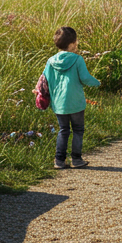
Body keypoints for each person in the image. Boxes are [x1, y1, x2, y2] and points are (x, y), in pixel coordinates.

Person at [43, 26, 100, 169]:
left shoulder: (50, 61)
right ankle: (76, 159)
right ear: (73, 43)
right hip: (76, 103)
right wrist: (97, 83)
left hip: (59, 103)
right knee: (78, 130)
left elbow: (45, 80)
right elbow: (85, 78)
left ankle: (59, 161)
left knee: (63, 130)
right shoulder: (77, 59)